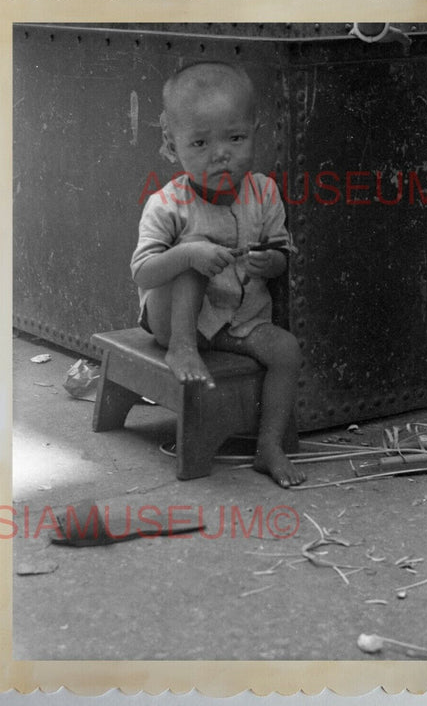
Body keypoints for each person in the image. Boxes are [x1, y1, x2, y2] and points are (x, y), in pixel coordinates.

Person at [131, 61, 306, 488]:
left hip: (236, 320)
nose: (221, 153)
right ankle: (184, 351)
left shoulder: (263, 192)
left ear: (254, 131)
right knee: (191, 259)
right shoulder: (168, 202)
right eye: (200, 143)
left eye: (235, 137)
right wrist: (188, 253)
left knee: (286, 349)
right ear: (172, 147)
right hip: (173, 321)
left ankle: (268, 446)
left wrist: (273, 261)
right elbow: (144, 272)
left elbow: (281, 250)